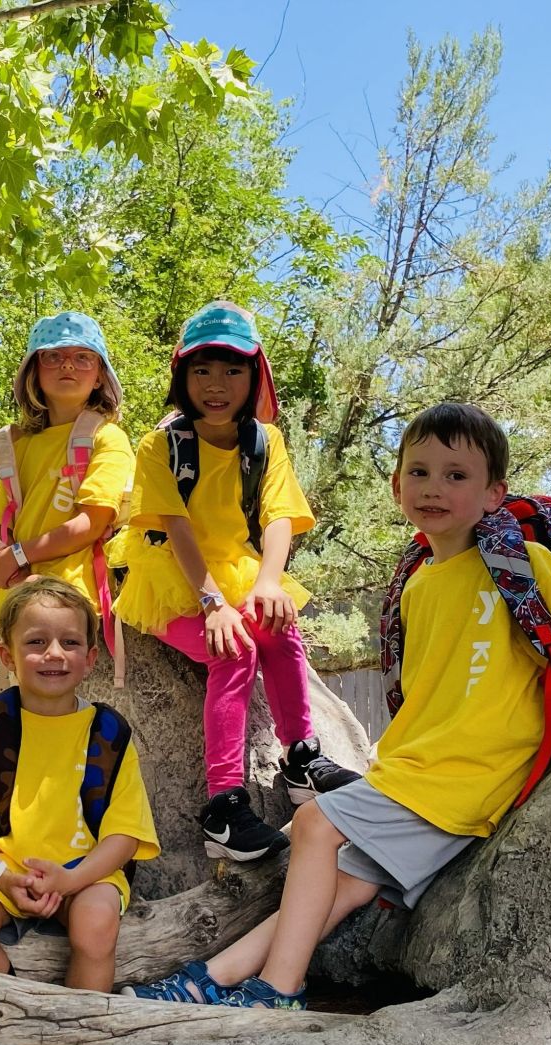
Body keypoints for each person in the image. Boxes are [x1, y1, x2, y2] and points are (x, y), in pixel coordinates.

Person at [122, 402, 551, 1009]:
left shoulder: (523, 564)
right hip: (416, 771)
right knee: (340, 886)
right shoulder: (417, 582)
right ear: (397, 485)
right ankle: (210, 980)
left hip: (465, 773)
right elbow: (422, 692)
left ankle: (277, 990)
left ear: (493, 493)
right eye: (420, 472)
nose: (434, 488)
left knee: (315, 823)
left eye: (457, 475)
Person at [112, 300, 358, 864]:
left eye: (232, 370)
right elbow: (174, 528)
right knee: (235, 650)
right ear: (182, 376)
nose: (216, 385)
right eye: (202, 370)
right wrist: (214, 604)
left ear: (255, 376)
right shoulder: (161, 447)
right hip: (171, 576)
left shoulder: (265, 442)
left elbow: (277, 518)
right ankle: (223, 807)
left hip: (237, 567)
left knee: (279, 626)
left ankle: (303, 759)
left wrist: (270, 583)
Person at [0, 577, 159, 992]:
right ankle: (7, 1009)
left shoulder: (109, 732)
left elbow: (125, 834)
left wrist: (71, 881)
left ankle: (81, 1022)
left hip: (84, 872)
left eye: (70, 643)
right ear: (7, 655)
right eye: (36, 642)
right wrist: (1, 876)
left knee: (96, 922)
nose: (54, 654)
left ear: (91, 657)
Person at [0, 312, 134, 706]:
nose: (68, 365)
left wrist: (19, 555)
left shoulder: (107, 438)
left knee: (61, 719)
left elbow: (93, 521)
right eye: (53, 356)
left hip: (70, 598)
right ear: (34, 372)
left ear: (99, 375)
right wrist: (10, 570)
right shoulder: (20, 444)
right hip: (11, 605)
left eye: (84, 357)